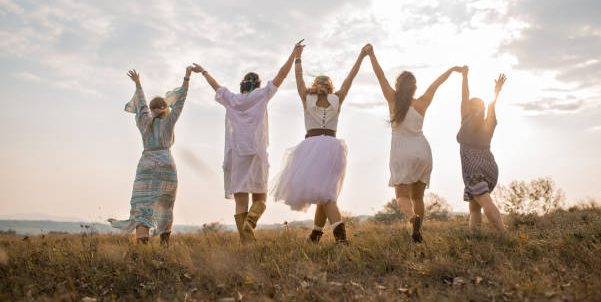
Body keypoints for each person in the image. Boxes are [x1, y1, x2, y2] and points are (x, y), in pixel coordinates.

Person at [192, 40, 304, 242]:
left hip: (236, 155)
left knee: (240, 202)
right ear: (257, 85)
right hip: (257, 153)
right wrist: (294, 55)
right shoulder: (262, 95)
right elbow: (281, 75)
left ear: (242, 85)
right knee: (260, 198)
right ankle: (250, 223)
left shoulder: (231, 99)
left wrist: (203, 71)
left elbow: (215, 86)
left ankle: (246, 241)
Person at [271, 44, 367, 244]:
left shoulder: (307, 97)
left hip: (312, 148)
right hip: (333, 149)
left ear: (315, 85)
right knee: (325, 194)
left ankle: (341, 240)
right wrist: (361, 56)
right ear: (331, 87)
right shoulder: (337, 98)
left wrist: (298, 57)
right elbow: (351, 76)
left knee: (328, 197)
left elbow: (298, 76)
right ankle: (315, 235)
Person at [365, 44, 462, 242]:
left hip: (401, 151)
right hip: (422, 150)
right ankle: (416, 233)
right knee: (418, 197)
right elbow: (436, 84)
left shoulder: (392, 99)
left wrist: (371, 54)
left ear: (399, 85)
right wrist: (452, 70)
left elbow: (380, 75)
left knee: (401, 195)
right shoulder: (422, 102)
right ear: (414, 87)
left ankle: (412, 218)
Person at [108, 66, 192, 246]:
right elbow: (181, 100)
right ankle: (164, 247)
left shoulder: (144, 120)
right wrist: (186, 78)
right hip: (167, 166)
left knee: (142, 208)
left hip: (146, 164)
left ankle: (142, 250)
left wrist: (138, 84)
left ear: (150, 109)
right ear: (166, 109)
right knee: (165, 207)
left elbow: (140, 103)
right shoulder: (170, 120)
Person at [457, 67, 507, 233]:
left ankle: (504, 234)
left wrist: (465, 76)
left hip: (474, 167)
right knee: (474, 206)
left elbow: (464, 96)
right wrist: (496, 92)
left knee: (485, 201)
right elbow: (492, 105)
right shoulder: (489, 122)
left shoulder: (467, 119)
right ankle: (474, 238)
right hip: (490, 166)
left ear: (469, 108)